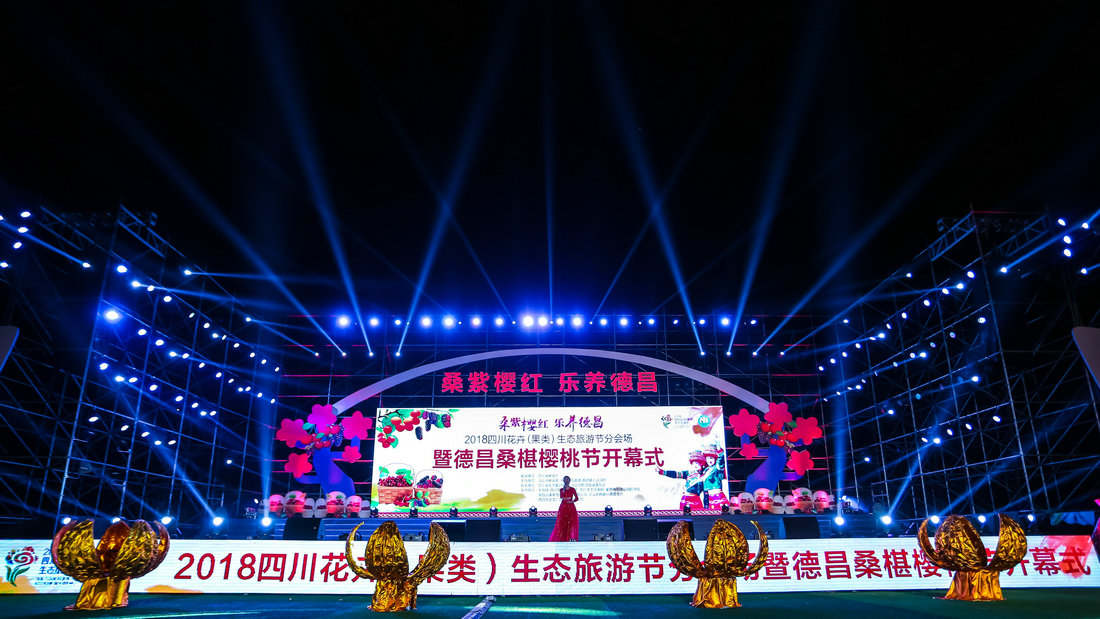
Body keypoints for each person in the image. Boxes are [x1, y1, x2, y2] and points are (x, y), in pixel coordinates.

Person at [549, 476, 579, 541]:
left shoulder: (572, 489)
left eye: (567, 479)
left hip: (570, 507)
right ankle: (562, 538)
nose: (566, 481)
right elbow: (561, 496)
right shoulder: (561, 489)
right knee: (562, 522)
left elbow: (577, 498)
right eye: (565, 480)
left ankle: (570, 538)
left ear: (569, 481)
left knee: (570, 522)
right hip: (563, 507)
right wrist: (563, 490)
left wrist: (572, 501)